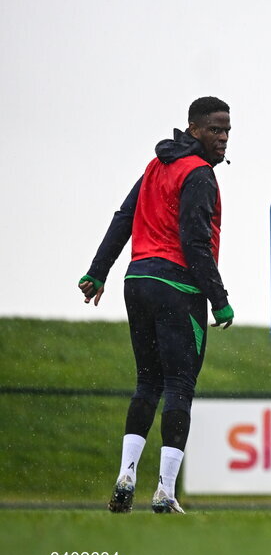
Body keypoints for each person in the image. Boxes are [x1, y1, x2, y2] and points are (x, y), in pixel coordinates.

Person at [80, 97, 235, 514]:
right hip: (177, 286)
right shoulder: (199, 174)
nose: (222, 138)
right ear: (194, 129)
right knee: (180, 386)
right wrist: (219, 300)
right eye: (215, 130)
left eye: (227, 131)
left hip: (138, 280)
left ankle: (125, 475)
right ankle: (165, 490)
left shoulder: (155, 166)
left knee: (147, 383)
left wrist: (98, 272)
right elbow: (194, 242)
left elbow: (123, 217)